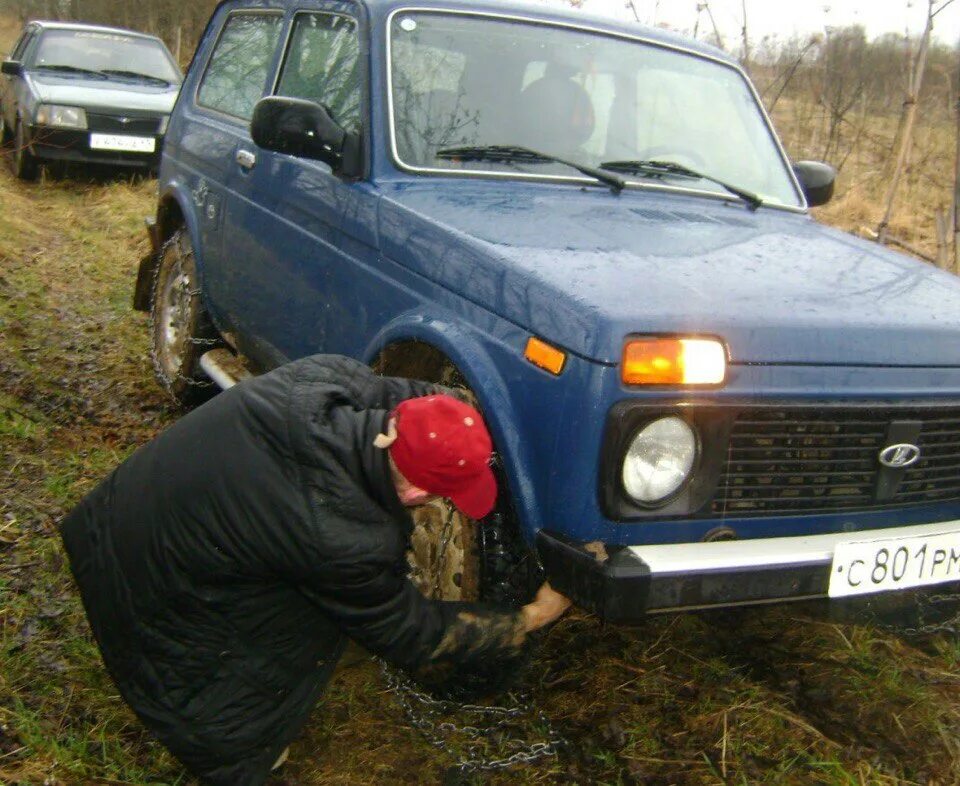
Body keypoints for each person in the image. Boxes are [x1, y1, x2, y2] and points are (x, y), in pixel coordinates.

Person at [59, 354, 571, 785]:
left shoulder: (323, 378)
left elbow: (404, 390)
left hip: (114, 518)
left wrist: (460, 417)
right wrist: (531, 616)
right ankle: (249, 755)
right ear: (417, 494)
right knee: (253, 686)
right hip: (156, 585)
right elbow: (410, 633)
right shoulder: (342, 535)